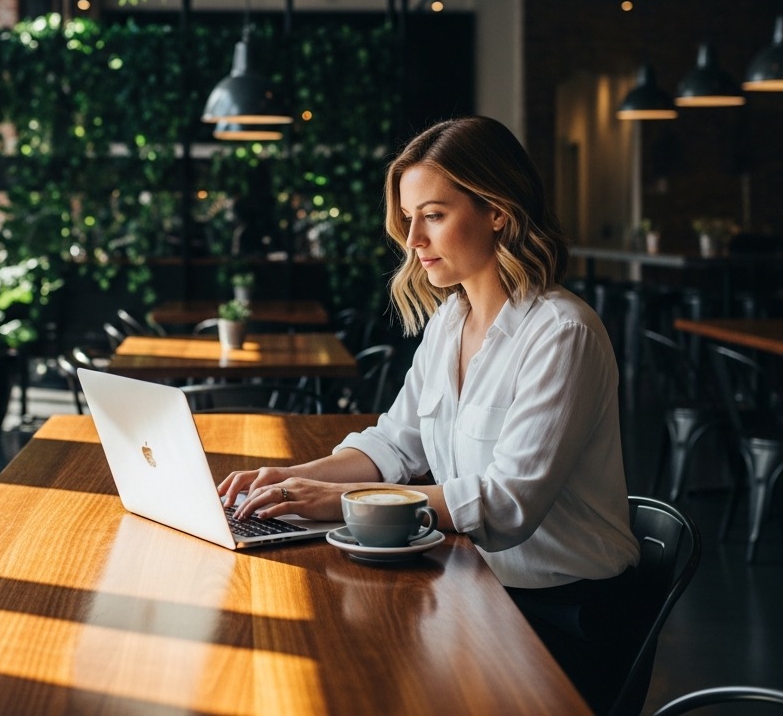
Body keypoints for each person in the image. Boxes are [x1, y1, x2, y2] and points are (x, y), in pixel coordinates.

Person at [218, 115, 642, 714]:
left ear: (498, 210)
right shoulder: (451, 321)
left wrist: (338, 501)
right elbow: (396, 443)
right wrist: (291, 480)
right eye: (408, 219)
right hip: (476, 589)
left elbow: (506, 504)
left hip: (567, 620)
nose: (413, 239)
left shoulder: (562, 332)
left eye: (434, 215)